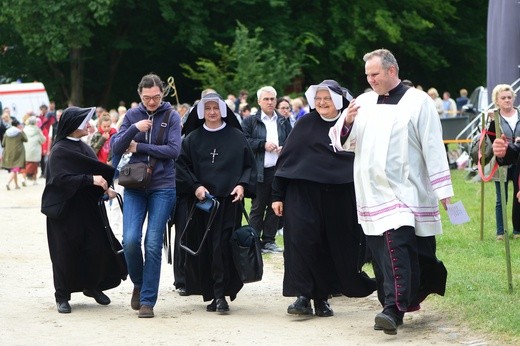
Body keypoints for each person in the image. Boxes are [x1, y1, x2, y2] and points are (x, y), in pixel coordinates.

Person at [330, 49, 454, 335]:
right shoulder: (363, 102)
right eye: (367, 76)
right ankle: (401, 297)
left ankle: (393, 310)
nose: (370, 80)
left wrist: (443, 189)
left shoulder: (418, 102)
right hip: (371, 190)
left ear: (392, 71)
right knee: (381, 252)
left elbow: (433, 146)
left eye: (375, 74)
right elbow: (342, 142)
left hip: (406, 189)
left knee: (396, 245)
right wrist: (347, 122)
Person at [271, 80, 376, 318]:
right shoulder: (305, 123)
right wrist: (277, 196)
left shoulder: (351, 125)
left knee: (331, 246)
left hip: (338, 194)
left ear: (337, 100)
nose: (321, 103)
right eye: (318, 99)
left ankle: (323, 298)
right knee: (302, 242)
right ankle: (303, 296)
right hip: (302, 193)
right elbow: (286, 160)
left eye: (326, 99)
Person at [41, 106, 127, 314]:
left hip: (87, 210)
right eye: (84, 122)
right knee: (64, 254)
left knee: (95, 248)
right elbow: (59, 180)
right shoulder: (59, 150)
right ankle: (62, 296)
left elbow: (95, 173)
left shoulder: (84, 147)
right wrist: (90, 179)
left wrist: (106, 189)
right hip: (65, 213)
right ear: (72, 126)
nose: (89, 125)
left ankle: (92, 286)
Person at [176, 92, 256, 313]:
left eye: (215, 108)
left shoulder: (237, 137)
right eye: (208, 108)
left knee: (222, 246)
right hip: (203, 203)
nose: (212, 112)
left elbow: (249, 166)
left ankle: (221, 294)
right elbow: (182, 167)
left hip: (228, 202)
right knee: (207, 248)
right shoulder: (192, 138)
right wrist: (195, 187)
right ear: (202, 111)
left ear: (222, 110)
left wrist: (242, 185)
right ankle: (212, 293)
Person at [111, 73, 181, 318]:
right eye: (147, 97)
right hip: (134, 186)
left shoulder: (171, 116)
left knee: (153, 243)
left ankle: (147, 301)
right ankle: (139, 284)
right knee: (130, 240)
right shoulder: (131, 116)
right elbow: (116, 146)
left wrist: (140, 146)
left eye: (156, 97)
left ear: (163, 94)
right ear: (140, 95)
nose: (152, 102)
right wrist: (134, 129)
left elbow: (173, 150)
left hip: (163, 186)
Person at [241, 86, 291, 254]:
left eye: (272, 99)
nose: (270, 102)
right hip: (260, 170)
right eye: (266, 99)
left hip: (279, 170)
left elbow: (292, 141)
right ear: (259, 101)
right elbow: (243, 141)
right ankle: (254, 240)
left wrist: (285, 148)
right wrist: (262, 145)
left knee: (276, 206)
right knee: (258, 207)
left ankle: (269, 240)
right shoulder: (251, 121)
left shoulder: (283, 121)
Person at [487, 84, 520, 240]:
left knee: (518, 196)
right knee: (501, 198)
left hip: (519, 160)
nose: (507, 100)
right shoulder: (494, 118)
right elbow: (490, 141)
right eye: (503, 98)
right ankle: (501, 232)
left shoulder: (519, 114)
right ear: (497, 101)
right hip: (501, 162)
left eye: (509, 97)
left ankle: (518, 231)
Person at [2, 119, 27, 190]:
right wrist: (22, 131)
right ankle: (8, 183)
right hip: (18, 153)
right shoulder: (19, 132)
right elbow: (26, 139)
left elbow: (3, 144)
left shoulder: (6, 132)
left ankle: (16, 185)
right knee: (15, 169)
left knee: (14, 168)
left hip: (9, 153)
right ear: (17, 125)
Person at [23, 116, 45, 184]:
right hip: (35, 151)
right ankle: (34, 181)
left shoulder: (24, 129)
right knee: (35, 165)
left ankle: (24, 179)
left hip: (26, 150)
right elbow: (43, 140)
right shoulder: (38, 130)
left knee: (25, 165)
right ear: (35, 122)